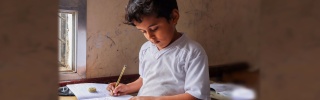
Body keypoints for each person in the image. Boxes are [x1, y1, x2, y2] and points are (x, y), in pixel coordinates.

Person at [107, 0, 210, 99]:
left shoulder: (192, 53)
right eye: (143, 31)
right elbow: (145, 79)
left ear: (174, 17)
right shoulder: (145, 49)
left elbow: (196, 96)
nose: (149, 36)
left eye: (154, 29)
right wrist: (126, 87)